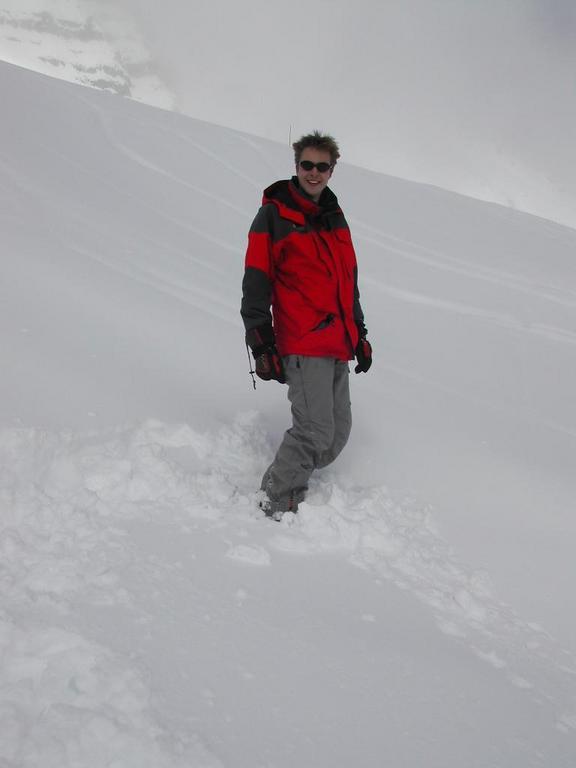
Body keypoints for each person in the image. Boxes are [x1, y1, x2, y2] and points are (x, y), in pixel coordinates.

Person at [241, 131, 372, 520]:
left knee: (335, 435)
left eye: (322, 166)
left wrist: (359, 334)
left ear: (332, 170)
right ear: (296, 166)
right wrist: (261, 342)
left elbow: (347, 283)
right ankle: (275, 502)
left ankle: (285, 478)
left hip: (337, 341)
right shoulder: (274, 216)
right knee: (314, 431)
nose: (314, 173)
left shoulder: (334, 217)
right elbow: (256, 281)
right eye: (307, 165)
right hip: (302, 340)